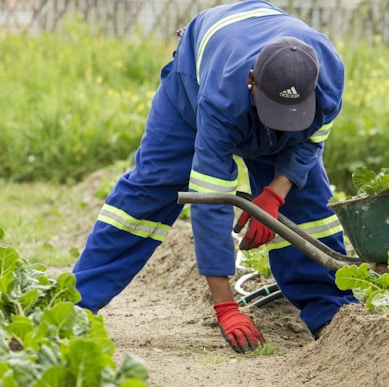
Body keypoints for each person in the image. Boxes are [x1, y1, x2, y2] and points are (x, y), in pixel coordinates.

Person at [71, 0, 357, 353]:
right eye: (274, 113)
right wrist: (225, 305)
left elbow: (310, 142)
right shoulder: (222, 96)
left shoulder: (328, 77)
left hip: (265, 71)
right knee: (151, 189)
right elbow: (212, 201)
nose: (279, 124)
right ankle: (75, 305)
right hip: (194, 85)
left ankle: (332, 313)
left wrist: (276, 194)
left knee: (306, 205)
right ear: (251, 81)